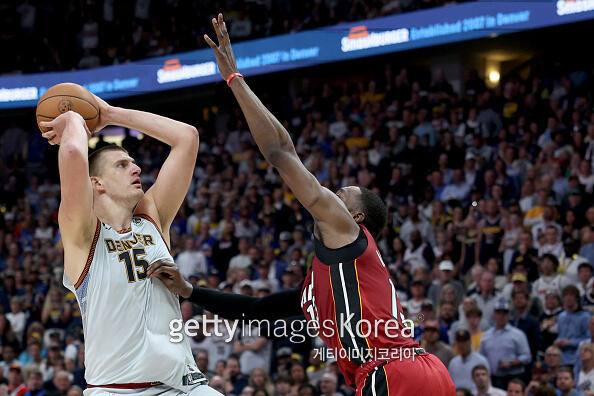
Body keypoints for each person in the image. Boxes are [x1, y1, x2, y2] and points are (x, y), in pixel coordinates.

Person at [148, 13, 455, 396]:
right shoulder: (317, 288)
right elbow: (256, 312)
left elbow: (279, 153)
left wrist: (234, 79)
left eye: (341, 195)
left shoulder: (347, 234)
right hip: (418, 371)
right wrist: (190, 290)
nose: (330, 194)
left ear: (356, 217)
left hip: (391, 372)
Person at [39, 97, 217, 394]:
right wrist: (73, 120)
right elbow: (71, 151)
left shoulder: (152, 217)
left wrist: (110, 113)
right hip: (115, 389)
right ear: (96, 183)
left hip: (181, 387)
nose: (136, 170)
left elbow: (187, 137)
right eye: (123, 165)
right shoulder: (83, 235)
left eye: (134, 164)